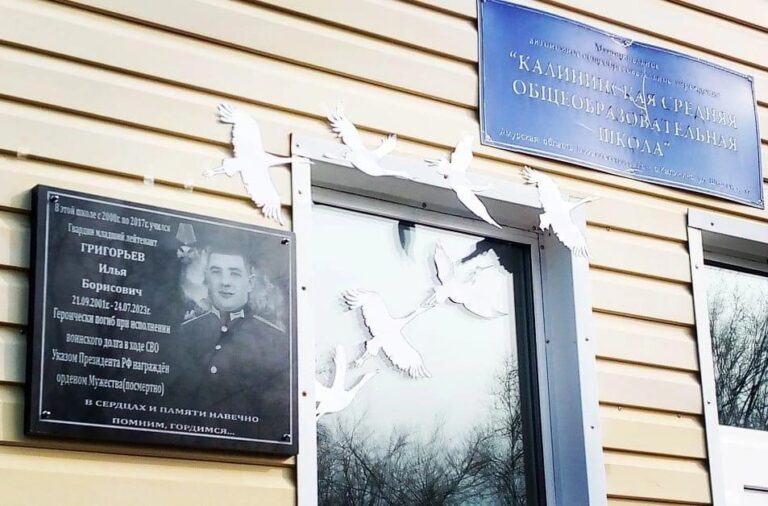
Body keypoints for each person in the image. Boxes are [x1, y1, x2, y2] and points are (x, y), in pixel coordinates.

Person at [165, 240, 290, 442]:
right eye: (216, 272)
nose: (225, 282)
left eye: (234, 273)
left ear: (249, 283)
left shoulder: (276, 341)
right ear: (206, 278)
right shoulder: (183, 333)